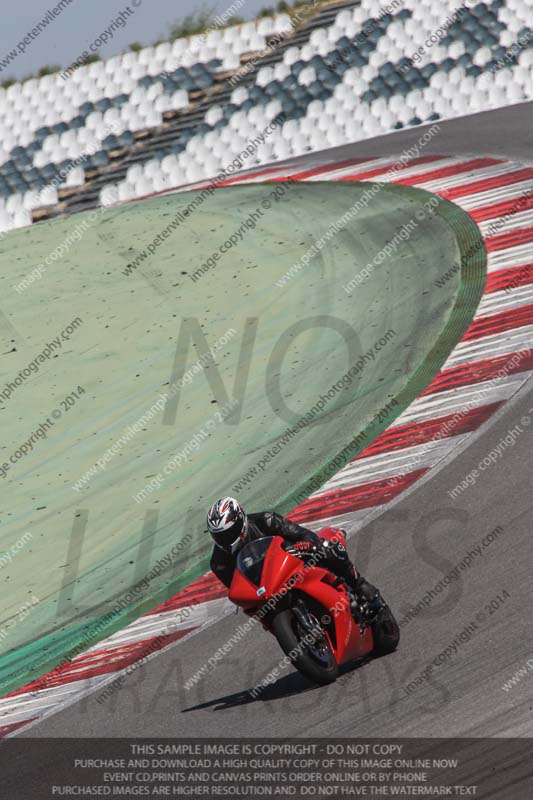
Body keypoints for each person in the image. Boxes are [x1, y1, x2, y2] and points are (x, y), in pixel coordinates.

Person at [207, 496, 385, 620]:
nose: (225, 539)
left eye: (229, 532)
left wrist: (306, 545)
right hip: (268, 588)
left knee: (326, 547)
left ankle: (360, 586)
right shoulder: (219, 564)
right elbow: (239, 588)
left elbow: (302, 534)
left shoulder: (267, 521)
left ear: (241, 520)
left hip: (296, 561)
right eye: (219, 536)